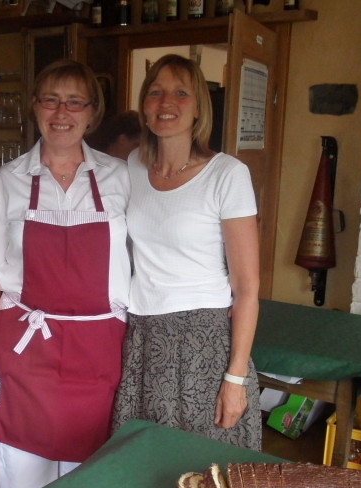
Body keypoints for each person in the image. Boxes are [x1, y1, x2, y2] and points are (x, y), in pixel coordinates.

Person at [0, 59, 131, 488]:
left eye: (75, 101)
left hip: (99, 356)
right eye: (51, 99)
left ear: (92, 112)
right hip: (25, 356)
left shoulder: (122, 178)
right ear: (34, 107)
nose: (62, 111)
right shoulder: (6, 183)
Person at [111, 54, 262, 451]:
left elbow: (247, 288)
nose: (167, 104)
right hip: (142, 334)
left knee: (203, 468)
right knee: (141, 462)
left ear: (198, 109)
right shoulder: (132, 168)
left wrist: (235, 379)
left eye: (181, 93)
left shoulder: (227, 174)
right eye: (156, 92)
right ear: (143, 105)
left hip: (202, 343)